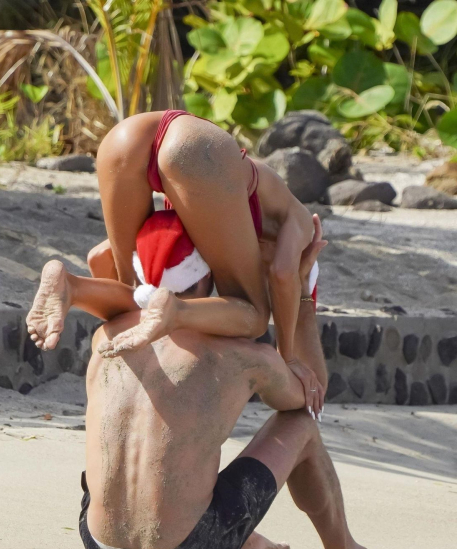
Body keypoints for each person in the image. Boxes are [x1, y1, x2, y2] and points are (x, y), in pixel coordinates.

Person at [74, 217, 398, 549]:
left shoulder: (108, 333)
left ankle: (245, 541)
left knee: (174, 448)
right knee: (300, 426)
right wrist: (300, 294)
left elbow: (102, 253)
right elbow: (309, 399)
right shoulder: (239, 354)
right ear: (207, 276)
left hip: (97, 541)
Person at [26, 109, 324, 412]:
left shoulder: (233, 219)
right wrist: (289, 358)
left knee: (134, 297)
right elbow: (284, 274)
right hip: (199, 152)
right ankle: (173, 311)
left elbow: (99, 256)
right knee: (255, 316)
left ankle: (70, 285)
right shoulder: (302, 221)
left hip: (126, 137)